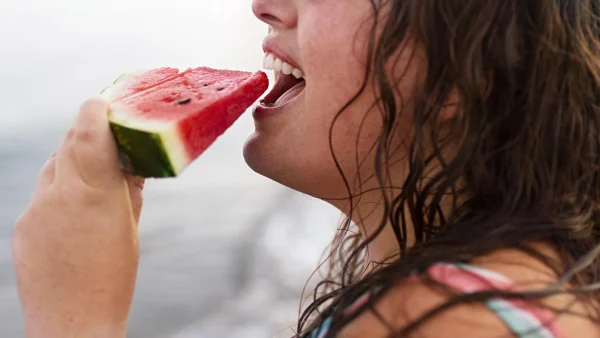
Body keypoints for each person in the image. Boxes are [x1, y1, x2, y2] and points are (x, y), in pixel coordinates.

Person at [11, 0, 600, 337]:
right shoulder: (544, 280)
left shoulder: (435, 322)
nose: (264, 3)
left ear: (469, 75)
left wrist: (72, 313)